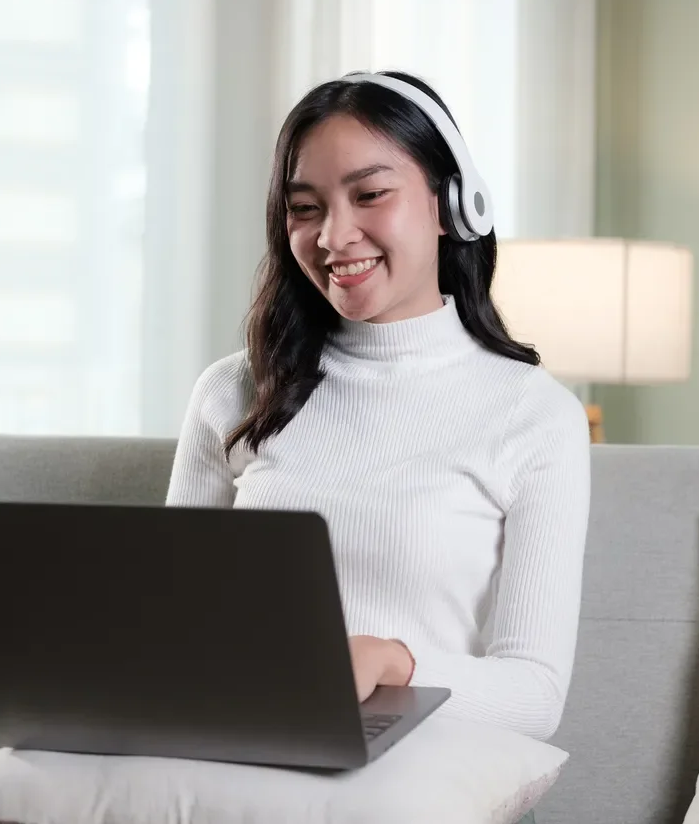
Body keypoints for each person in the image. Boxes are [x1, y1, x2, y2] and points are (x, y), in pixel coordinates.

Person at [165, 69, 591, 743]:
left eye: (369, 195)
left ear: (454, 206)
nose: (334, 237)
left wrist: (396, 663)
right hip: (242, 746)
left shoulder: (535, 415)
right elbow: (172, 627)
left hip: (427, 765)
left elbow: (534, 698)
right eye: (305, 208)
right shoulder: (233, 392)